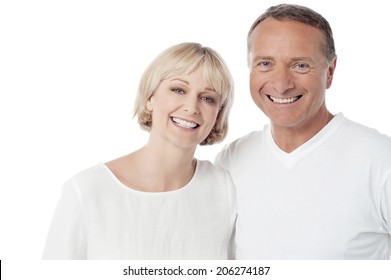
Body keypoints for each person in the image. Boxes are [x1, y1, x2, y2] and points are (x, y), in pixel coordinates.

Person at [215, 4, 391, 259]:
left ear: (330, 73)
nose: (281, 84)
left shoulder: (380, 159)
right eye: (265, 64)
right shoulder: (232, 159)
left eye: (300, 65)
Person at [43, 42, 236, 260]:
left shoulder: (225, 190)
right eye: (178, 90)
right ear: (150, 98)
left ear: (218, 115)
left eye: (207, 98)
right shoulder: (88, 190)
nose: (192, 107)